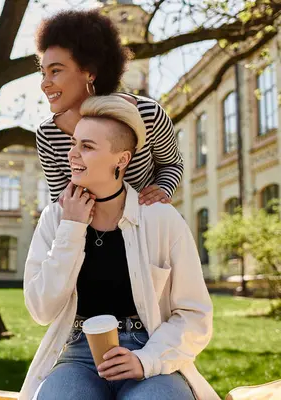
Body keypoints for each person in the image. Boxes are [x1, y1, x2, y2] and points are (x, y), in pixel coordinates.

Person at [20, 96, 218, 400]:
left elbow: (195, 316)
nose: (72, 155)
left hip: (149, 347)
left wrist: (146, 359)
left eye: (87, 147)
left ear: (122, 159)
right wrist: (72, 230)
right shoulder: (56, 218)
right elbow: (40, 309)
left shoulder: (161, 219)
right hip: (78, 355)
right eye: (73, 144)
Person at [36, 9, 183, 206]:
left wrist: (163, 189)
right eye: (43, 73)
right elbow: (60, 202)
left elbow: (172, 164)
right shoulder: (47, 134)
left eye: (55, 71)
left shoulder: (148, 114)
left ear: (90, 72)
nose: (44, 83)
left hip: (145, 225)